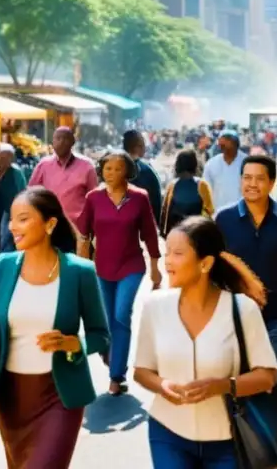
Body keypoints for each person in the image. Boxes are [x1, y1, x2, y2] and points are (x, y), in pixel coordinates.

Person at [0, 187, 109, 468]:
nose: (13, 226)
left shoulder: (79, 272)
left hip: (59, 395)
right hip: (12, 399)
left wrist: (76, 344)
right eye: (11, 219)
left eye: (23, 219)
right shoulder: (0, 267)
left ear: (50, 224)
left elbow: (101, 335)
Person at [133, 216, 277, 468]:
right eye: (166, 253)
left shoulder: (242, 309)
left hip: (229, 439)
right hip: (167, 433)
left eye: (177, 254)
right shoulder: (154, 306)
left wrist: (222, 386)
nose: (167, 261)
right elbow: (141, 371)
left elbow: (267, 376)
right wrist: (162, 385)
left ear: (206, 263)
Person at [214, 155, 277, 405]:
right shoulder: (223, 219)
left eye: (260, 179)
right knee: (237, 384)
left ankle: (267, 438)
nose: (252, 184)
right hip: (234, 317)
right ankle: (239, 439)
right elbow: (213, 268)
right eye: (247, 178)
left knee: (269, 380)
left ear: (272, 182)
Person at [76, 151, 162, 395]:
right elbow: (84, 234)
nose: (111, 173)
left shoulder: (139, 198)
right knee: (107, 320)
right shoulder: (94, 198)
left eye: (117, 168)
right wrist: (81, 267)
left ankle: (117, 375)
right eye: (107, 168)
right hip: (102, 267)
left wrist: (156, 268)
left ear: (128, 172)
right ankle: (110, 351)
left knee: (121, 315)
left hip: (131, 267)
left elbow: (149, 234)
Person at [28, 126, 99, 225]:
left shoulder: (87, 166)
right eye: (58, 138)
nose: (61, 142)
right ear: (52, 142)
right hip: (50, 225)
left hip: (78, 227)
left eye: (65, 138)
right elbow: (31, 193)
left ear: (72, 142)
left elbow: (94, 198)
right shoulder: (43, 165)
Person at [160, 148, 215, 235]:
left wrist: (164, 234)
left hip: (176, 235)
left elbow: (165, 213)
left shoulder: (172, 186)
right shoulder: (202, 185)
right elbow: (210, 211)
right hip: (197, 234)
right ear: (195, 164)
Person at [0, 143, 28, 255]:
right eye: (0, 156)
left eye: (5, 157)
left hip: (9, 212)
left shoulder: (15, 172)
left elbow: (21, 192)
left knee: (5, 240)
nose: (1, 160)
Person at [123, 129, 163, 224]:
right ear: (138, 147)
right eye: (143, 144)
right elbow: (156, 204)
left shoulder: (111, 170)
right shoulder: (148, 172)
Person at [203, 130, 246, 210]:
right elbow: (206, 190)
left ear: (236, 144)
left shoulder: (247, 162)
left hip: (242, 212)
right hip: (217, 212)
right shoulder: (211, 164)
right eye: (221, 143)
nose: (223, 145)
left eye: (228, 141)